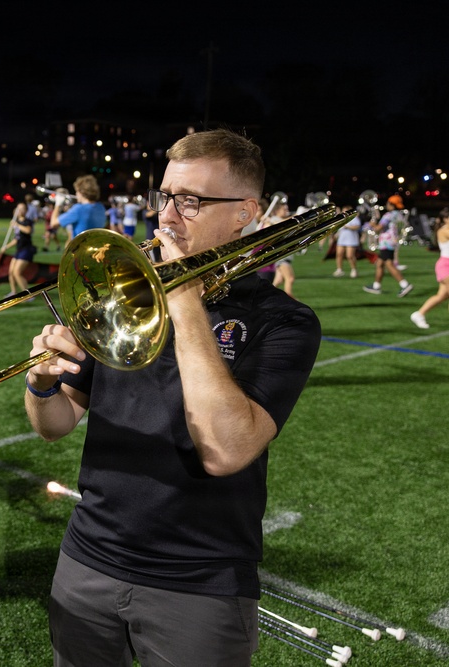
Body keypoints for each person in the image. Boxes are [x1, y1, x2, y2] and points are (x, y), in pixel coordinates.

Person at [25, 129, 322, 666]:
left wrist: (182, 298)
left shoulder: (284, 321)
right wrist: (42, 384)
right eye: (164, 196)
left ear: (245, 212)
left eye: (190, 201)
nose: (166, 216)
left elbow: (226, 450)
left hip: (200, 582)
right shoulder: (122, 297)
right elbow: (55, 423)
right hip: (87, 559)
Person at [363, 197, 413, 297]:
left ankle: (404, 284)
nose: (386, 205)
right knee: (380, 264)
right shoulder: (399, 215)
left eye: (388, 203)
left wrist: (372, 224)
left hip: (386, 243)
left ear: (391, 204)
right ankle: (376, 286)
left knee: (389, 264)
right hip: (393, 242)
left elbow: (378, 228)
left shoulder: (388, 215)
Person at [410, 207, 449, 329]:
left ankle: (419, 314)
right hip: (445, 265)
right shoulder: (443, 230)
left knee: (441, 296)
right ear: (445, 219)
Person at [51, 175, 106, 245]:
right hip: (96, 249)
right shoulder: (100, 207)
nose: (76, 194)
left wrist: (57, 204)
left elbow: (53, 223)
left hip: (80, 250)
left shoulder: (79, 209)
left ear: (82, 192)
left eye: (77, 191)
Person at [5, 201, 35, 295]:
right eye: (18, 208)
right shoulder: (16, 222)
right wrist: (6, 247)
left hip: (27, 250)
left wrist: (17, 225)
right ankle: (13, 292)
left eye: (22, 208)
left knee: (17, 272)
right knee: (11, 272)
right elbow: (16, 239)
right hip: (19, 249)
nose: (20, 210)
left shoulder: (27, 221)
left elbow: (28, 231)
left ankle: (28, 295)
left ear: (26, 210)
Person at [333, 204, 362, 278]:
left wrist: (347, 226)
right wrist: (336, 235)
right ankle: (339, 270)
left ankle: (354, 270)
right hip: (342, 239)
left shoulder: (354, 218)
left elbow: (357, 227)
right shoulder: (341, 219)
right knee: (339, 254)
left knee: (350, 256)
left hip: (351, 239)